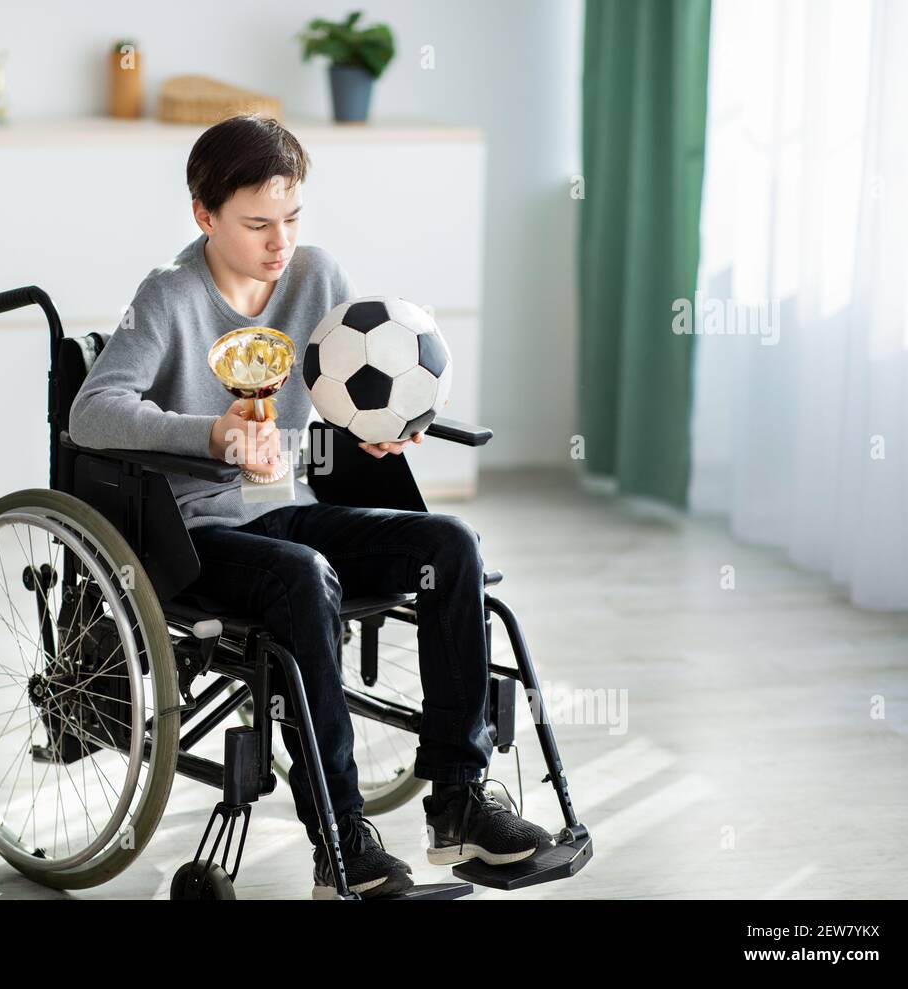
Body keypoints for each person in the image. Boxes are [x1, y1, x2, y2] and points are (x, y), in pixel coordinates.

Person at [68, 113, 553, 899]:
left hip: (290, 505)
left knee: (451, 545)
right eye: (257, 223)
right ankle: (343, 846)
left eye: (291, 218)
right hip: (199, 534)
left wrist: (378, 430)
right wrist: (215, 435)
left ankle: (459, 803)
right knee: (305, 578)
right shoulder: (170, 296)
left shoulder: (314, 278)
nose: (278, 241)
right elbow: (92, 413)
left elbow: (340, 387)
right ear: (205, 215)